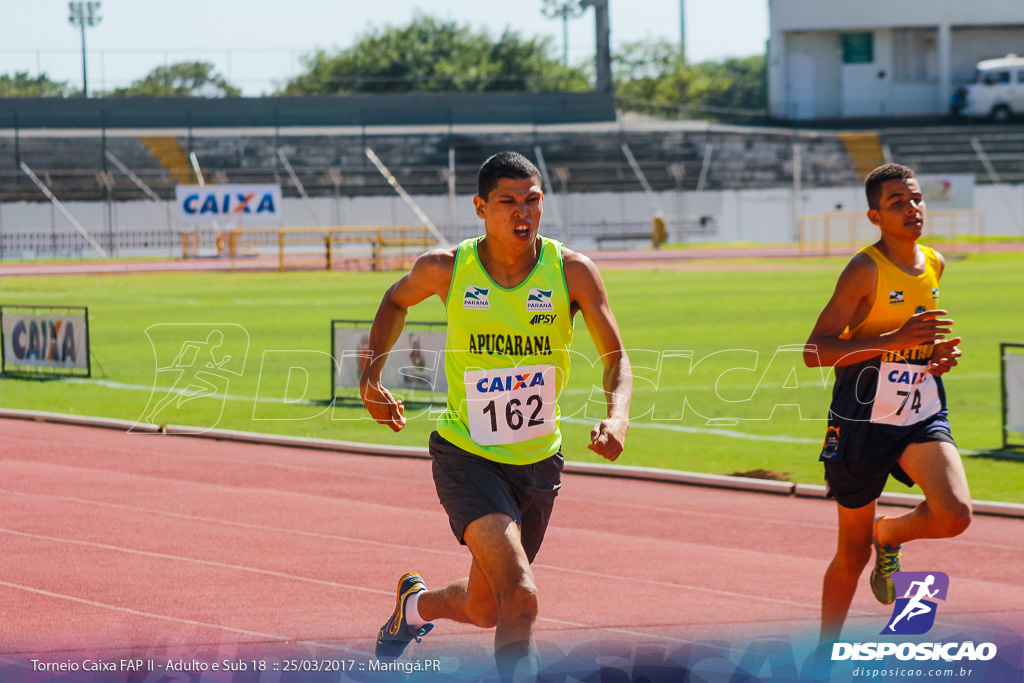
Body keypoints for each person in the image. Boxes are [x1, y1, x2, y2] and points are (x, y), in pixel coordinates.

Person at [359, 151, 632, 679]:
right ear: (481, 208)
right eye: (507, 202)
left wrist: (617, 415)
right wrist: (370, 380)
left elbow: (616, 358)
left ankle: (412, 608)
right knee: (521, 597)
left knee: (488, 608)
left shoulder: (570, 271)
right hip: (467, 454)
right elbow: (395, 301)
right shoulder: (447, 268)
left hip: (538, 462)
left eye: (531, 200)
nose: (522, 212)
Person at [804, 163, 972, 643]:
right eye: (897, 202)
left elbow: (917, 340)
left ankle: (891, 533)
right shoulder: (864, 270)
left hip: (918, 408)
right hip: (861, 414)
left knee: (954, 514)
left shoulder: (934, 262)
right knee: (852, 554)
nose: (912, 208)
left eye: (916, 198)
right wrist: (895, 340)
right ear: (875, 216)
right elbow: (814, 351)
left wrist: (935, 356)